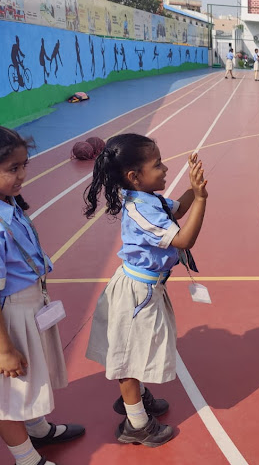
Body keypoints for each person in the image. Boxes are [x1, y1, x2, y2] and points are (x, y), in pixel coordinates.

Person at [84, 134, 208, 446]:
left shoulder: (149, 199)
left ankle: (136, 398)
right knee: (128, 356)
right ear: (134, 176)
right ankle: (136, 424)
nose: (165, 168)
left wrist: (195, 192)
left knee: (137, 348)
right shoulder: (140, 209)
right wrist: (202, 201)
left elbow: (176, 211)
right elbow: (183, 240)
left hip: (147, 288)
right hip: (136, 293)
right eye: (158, 165)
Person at [0, 127, 85, 465]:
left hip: (30, 303)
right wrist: (4, 349)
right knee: (9, 393)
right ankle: (25, 458)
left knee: (32, 375)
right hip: (10, 315)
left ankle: (36, 428)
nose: (22, 176)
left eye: (24, 166)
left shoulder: (9, 204)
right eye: (12, 169)